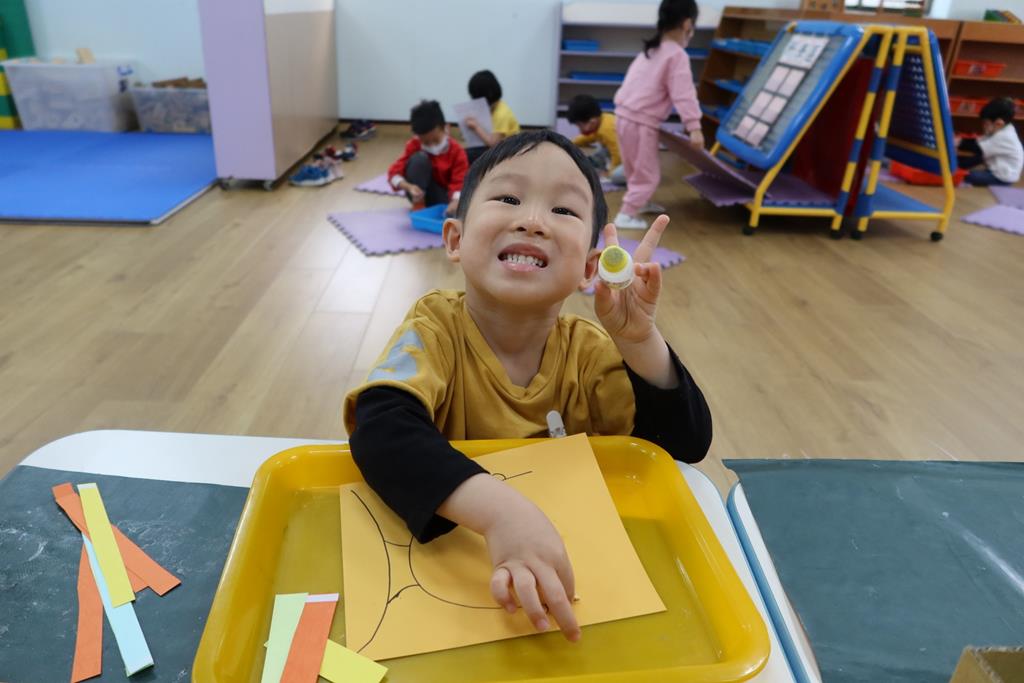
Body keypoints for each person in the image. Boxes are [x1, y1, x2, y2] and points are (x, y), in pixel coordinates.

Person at [345, 130, 712, 642]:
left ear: (589, 268)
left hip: (572, 576)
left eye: (563, 210)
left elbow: (679, 447)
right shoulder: (434, 328)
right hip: (453, 564)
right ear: (455, 239)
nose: (533, 221)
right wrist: (501, 514)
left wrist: (639, 340)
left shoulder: (588, 351)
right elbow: (380, 431)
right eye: (508, 198)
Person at [613, 0, 703, 230]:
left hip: (622, 116)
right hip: (641, 122)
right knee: (648, 174)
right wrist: (694, 127)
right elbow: (684, 94)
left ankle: (640, 203)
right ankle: (626, 214)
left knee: (634, 168)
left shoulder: (651, 49)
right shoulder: (677, 55)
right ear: (687, 24)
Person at [388, 100, 469, 215]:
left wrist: (456, 200)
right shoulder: (414, 145)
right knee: (419, 159)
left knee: (459, 206)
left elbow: (459, 181)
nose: (431, 145)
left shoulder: (457, 151)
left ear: (446, 128)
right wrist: (409, 187)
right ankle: (419, 205)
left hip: (443, 196)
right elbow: (393, 173)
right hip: (418, 194)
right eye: (425, 142)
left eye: (436, 140)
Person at [957, 97, 1023, 187]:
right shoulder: (1000, 129)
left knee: (969, 176)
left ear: (998, 123)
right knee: (978, 159)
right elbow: (979, 143)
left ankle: (963, 175)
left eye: (985, 123)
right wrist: (961, 142)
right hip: (996, 170)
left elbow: (978, 148)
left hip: (1002, 177)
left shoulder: (1004, 137)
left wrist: (959, 143)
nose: (983, 126)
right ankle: (960, 166)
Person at [463, 70, 522, 164]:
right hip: (499, 150)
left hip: (508, 154)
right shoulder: (495, 108)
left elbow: (493, 144)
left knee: (466, 155)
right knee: (466, 153)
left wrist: (476, 127)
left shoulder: (502, 114)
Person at [567, 94, 625, 185]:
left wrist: (609, 173)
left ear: (592, 122)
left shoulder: (607, 129)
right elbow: (587, 138)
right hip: (619, 154)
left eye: (580, 126)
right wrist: (568, 143)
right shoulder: (601, 120)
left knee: (615, 176)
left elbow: (618, 155)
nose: (580, 130)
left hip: (632, 159)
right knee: (601, 152)